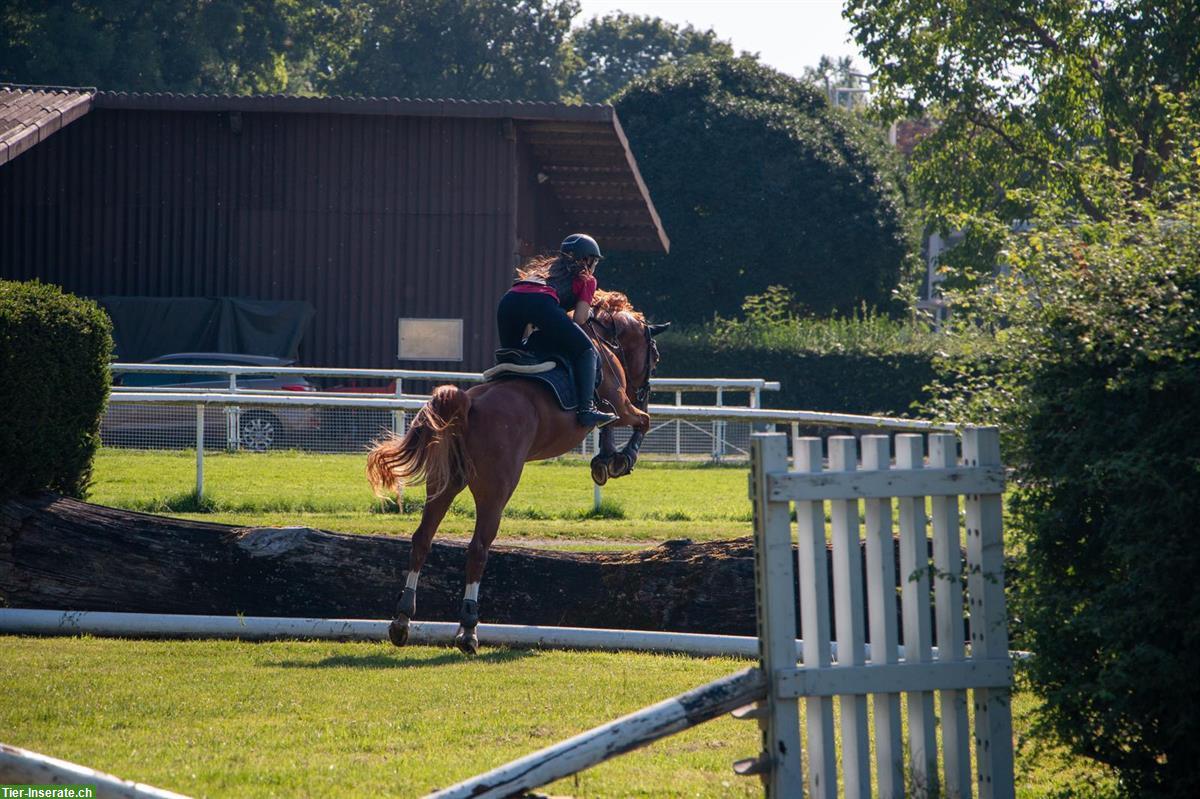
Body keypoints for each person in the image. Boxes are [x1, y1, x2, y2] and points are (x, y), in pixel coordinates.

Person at [497, 233, 618, 428]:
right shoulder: (587, 278)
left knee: (512, 358)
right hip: (541, 304)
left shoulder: (543, 270)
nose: (594, 266)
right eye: (595, 261)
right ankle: (586, 410)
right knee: (587, 351)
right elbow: (579, 318)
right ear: (587, 259)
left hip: (508, 302)